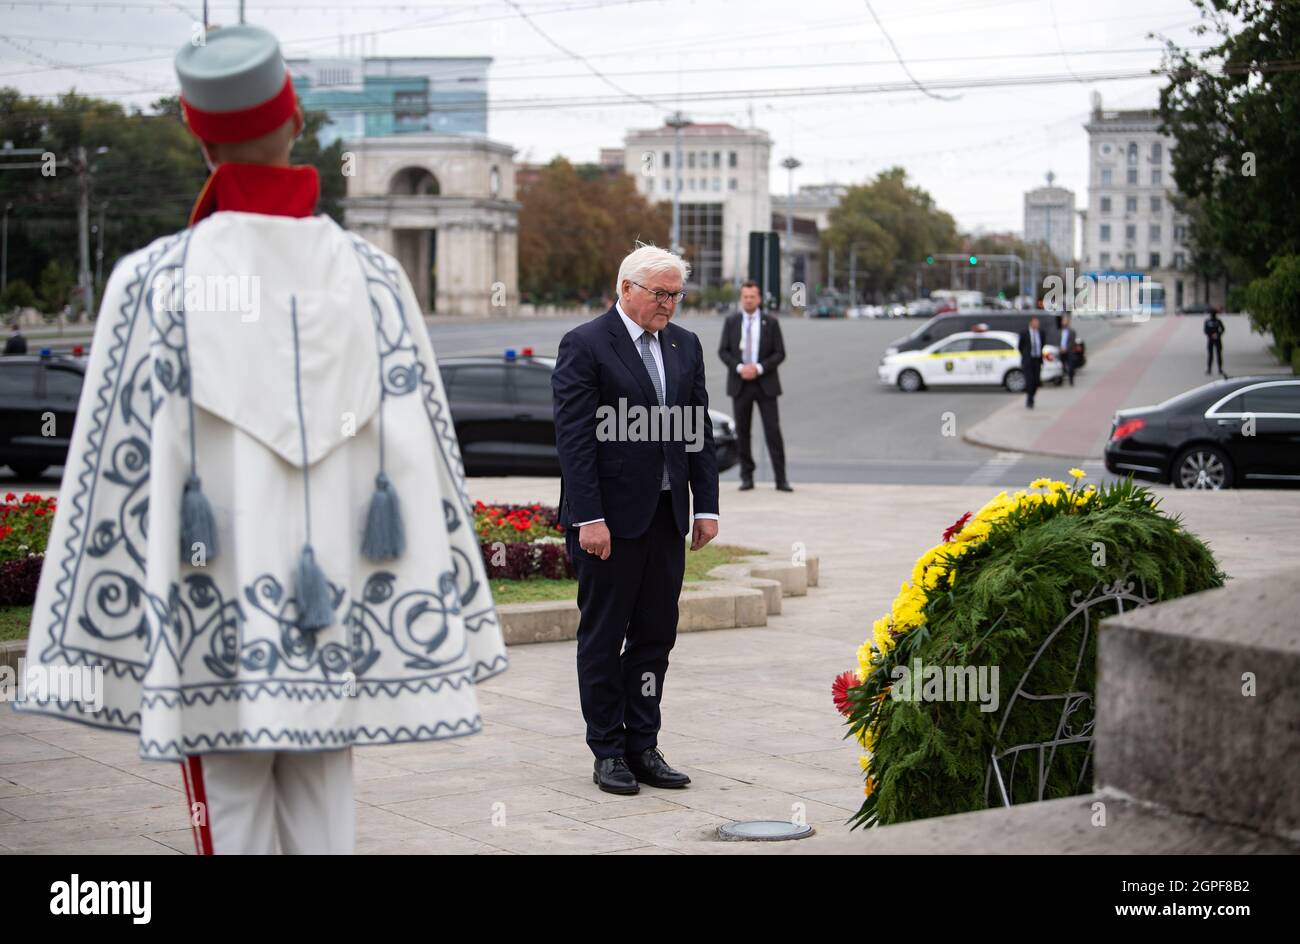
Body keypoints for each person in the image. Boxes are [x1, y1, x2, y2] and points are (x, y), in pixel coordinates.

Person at [14, 24, 506, 854]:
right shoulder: (377, 280)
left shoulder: (151, 281)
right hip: (339, 613)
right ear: (297, 121)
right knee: (326, 817)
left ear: (195, 133)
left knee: (230, 824)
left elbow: (113, 476)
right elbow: (424, 465)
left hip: (214, 616)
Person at [551, 244, 719, 795]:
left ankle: (643, 745)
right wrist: (589, 518)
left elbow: (697, 430)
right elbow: (575, 441)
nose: (669, 304)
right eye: (660, 293)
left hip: (666, 520)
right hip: (608, 525)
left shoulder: (685, 345)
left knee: (655, 637)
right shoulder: (585, 344)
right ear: (627, 288)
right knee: (603, 638)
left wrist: (707, 504)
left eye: (676, 294)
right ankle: (607, 750)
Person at [717, 280, 791, 491]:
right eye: (745, 296)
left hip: (765, 383)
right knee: (743, 432)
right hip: (740, 384)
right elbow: (723, 351)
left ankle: (781, 478)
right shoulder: (732, 321)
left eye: (752, 296)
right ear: (741, 299)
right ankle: (747, 477)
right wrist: (740, 368)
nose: (748, 300)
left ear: (758, 299)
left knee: (773, 431)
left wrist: (758, 368)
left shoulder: (771, 322)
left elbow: (780, 353)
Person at [1018, 315, 1045, 408]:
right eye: (1035, 322)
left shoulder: (1041, 333)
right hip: (1028, 361)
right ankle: (1030, 400)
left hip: (1037, 360)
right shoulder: (1024, 333)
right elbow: (1020, 346)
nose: (1037, 324)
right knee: (1030, 381)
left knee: (1037, 381)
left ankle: (1031, 396)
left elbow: (1043, 344)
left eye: (1038, 322)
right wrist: (1025, 356)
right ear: (1031, 323)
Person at [1205, 306, 1226, 375]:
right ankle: (1209, 369)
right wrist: (1211, 335)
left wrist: (1218, 334)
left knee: (1219, 355)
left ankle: (1220, 369)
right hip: (1210, 340)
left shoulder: (1218, 321)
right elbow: (1205, 330)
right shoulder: (1207, 321)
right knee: (1210, 355)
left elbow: (1223, 329)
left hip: (1217, 340)